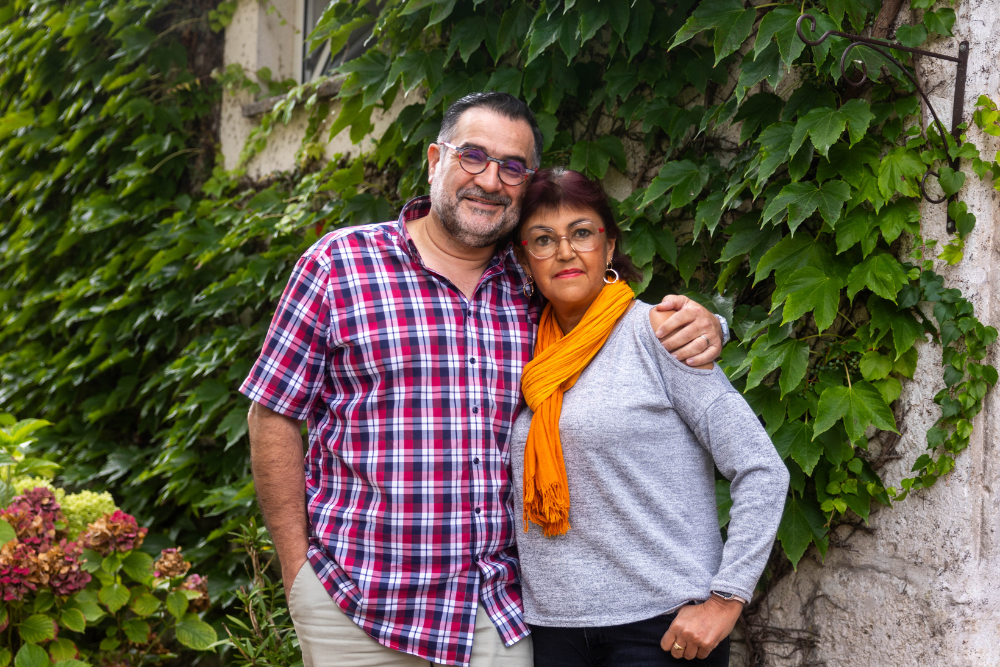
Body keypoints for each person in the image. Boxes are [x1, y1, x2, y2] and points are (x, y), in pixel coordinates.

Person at [240, 92, 728, 667]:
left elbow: (618, 322)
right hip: (358, 604)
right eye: (472, 156)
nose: (490, 179)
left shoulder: (537, 282)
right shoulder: (340, 264)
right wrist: (297, 572)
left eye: (513, 167)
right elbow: (273, 412)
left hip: (500, 613)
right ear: (433, 159)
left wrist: (707, 322)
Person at [509, 168, 789, 666]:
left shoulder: (659, 334)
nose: (565, 251)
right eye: (543, 239)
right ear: (523, 258)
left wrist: (726, 600)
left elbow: (761, 468)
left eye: (581, 233)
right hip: (553, 629)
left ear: (610, 247)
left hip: (660, 629)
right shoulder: (522, 349)